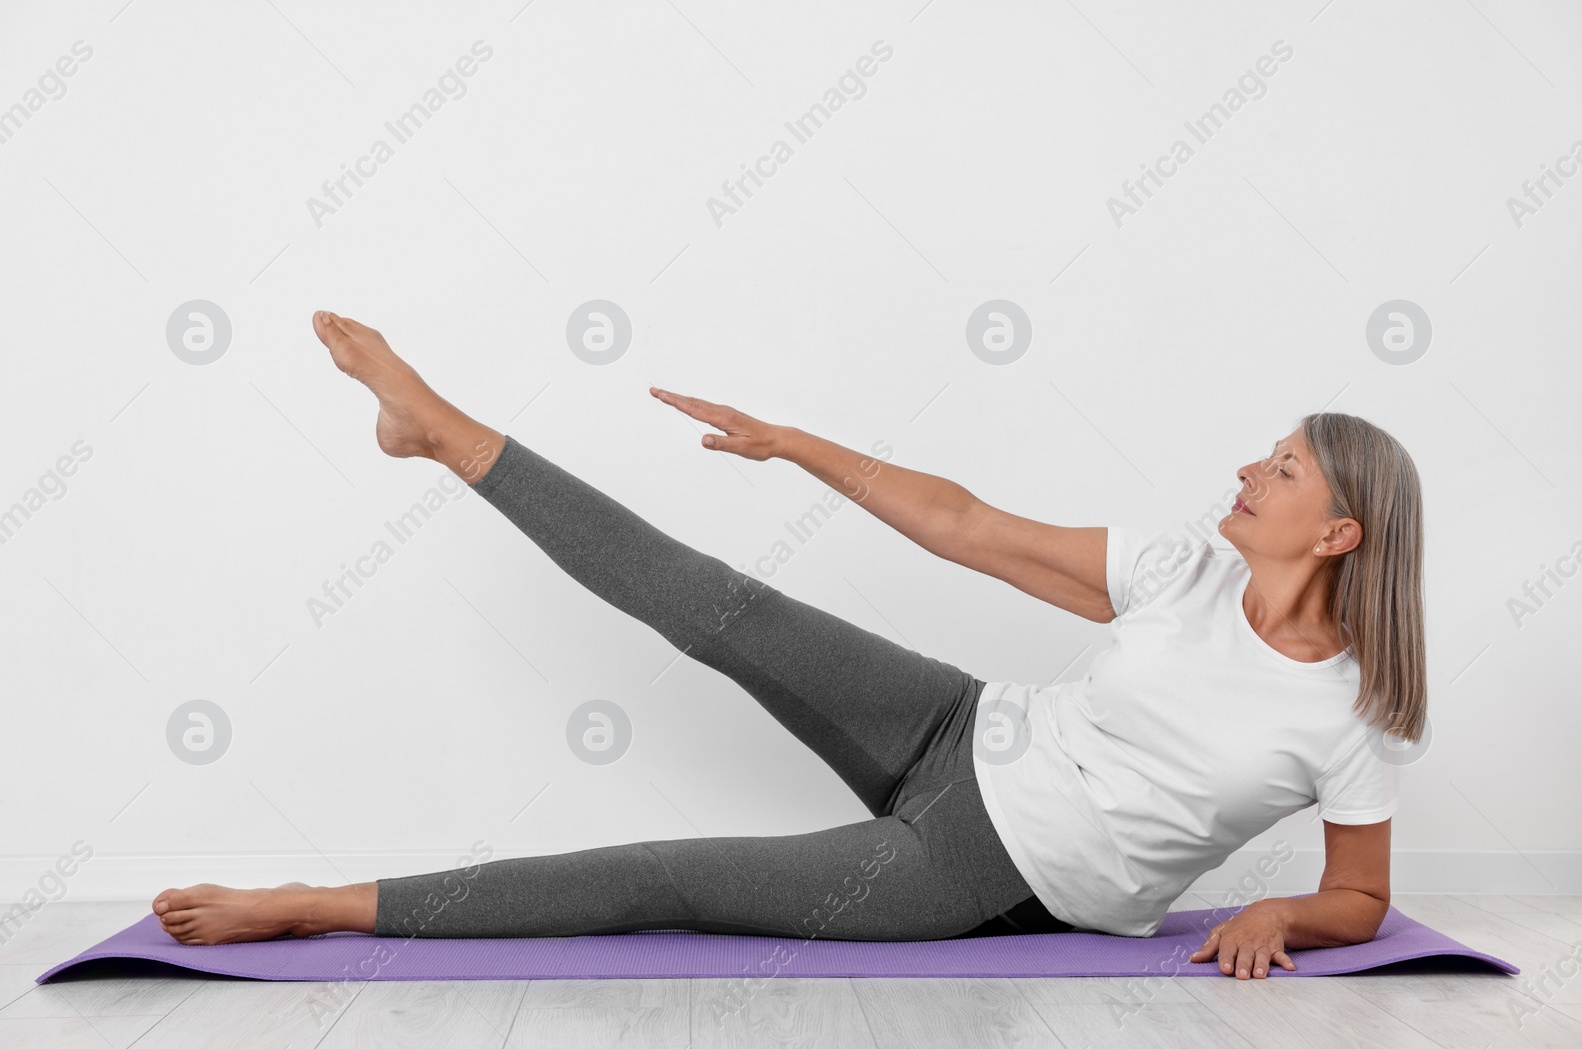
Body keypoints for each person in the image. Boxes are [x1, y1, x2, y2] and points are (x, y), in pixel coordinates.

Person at [151, 311, 1425, 980]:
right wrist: (798, 444)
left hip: (981, 865)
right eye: (1265, 452)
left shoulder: (1346, 716)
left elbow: (1361, 897)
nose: (1250, 470)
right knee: (709, 601)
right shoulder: (1180, 565)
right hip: (958, 724)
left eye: (1284, 466)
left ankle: (316, 903)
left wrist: (1283, 908)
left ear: (1338, 532)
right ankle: (439, 431)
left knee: (664, 876)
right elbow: (965, 523)